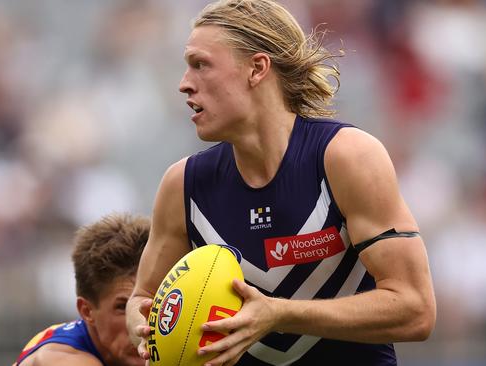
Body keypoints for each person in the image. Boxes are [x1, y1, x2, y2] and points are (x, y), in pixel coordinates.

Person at [126, 1, 436, 365]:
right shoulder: (182, 185)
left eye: (201, 65)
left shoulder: (345, 157)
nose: (183, 84)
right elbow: (141, 298)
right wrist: (141, 323)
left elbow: (416, 309)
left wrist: (280, 314)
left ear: (257, 69)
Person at [14, 213, 149, 366]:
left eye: (148, 302)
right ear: (86, 311)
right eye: (122, 307)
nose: (140, 323)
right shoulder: (60, 358)